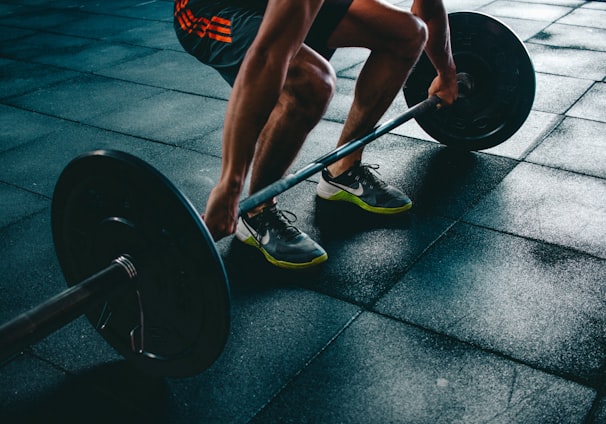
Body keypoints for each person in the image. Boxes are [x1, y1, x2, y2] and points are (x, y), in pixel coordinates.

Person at [174, 0, 458, 269]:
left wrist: (446, 74)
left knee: (408, 33)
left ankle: (343, 169)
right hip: (211, 9)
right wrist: (229, 186)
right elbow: (268, 56)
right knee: (312, 81)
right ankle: (257, 212)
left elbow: (428, 10)